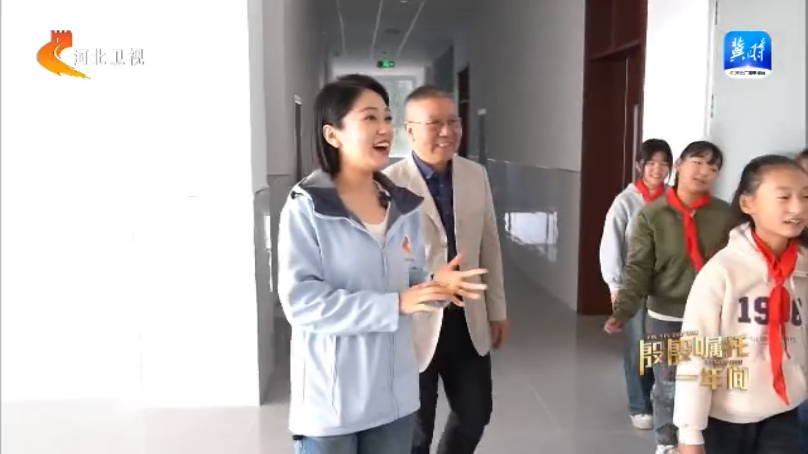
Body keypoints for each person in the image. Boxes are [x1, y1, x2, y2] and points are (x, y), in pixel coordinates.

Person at [277, 78, 488, 454]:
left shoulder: (401, 204)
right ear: (333, 134)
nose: (385, 129)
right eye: (370, 117)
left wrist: (435, 285)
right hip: (334, 402)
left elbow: (410, 279)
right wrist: (396, 304)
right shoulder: (307, 206)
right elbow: (302, 303)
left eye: (387, 117)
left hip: (395, 399)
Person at [384, 85, 507, 454]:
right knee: (416, 429)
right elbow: (383, 263)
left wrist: (497, 310)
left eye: (453, 122)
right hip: (415, 321)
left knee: (475, 413)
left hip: (467, 317)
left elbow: (489, 245)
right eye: (434, 123)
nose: (447, 131)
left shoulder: (475, 175)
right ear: (409, 130)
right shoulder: (388, 184)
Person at [604, 141, 735, 454]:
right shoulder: (652, 214)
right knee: (668, 384)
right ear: (680, 165)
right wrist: (623, 309)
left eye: (713, 167)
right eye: (697, 162)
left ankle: (701, 441)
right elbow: (638, 267)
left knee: (708, 381)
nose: (704, 171)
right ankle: (667, 443)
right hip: (666, 314)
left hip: (712, 315)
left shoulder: (725, 215)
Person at [674, 155, 808, 454]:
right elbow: (696, 352)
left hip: (784, 410)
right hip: (725, 416)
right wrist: (690, 432)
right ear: (748, 204)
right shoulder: (723, 272)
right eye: (784, 197)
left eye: (806, 196)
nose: (798, 208)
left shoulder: (803, 268)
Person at [599, 139, 673, 430]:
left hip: (668, 286)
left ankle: (660, 397)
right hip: (635, 285)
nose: (657, 169)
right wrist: (615, 286)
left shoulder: (674, 198)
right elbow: (611, 245)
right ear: (639, 166)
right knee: (639, 344)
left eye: (664, 163)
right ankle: (639, 404)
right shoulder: (626, 201)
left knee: (663, 344)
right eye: (651, 163)